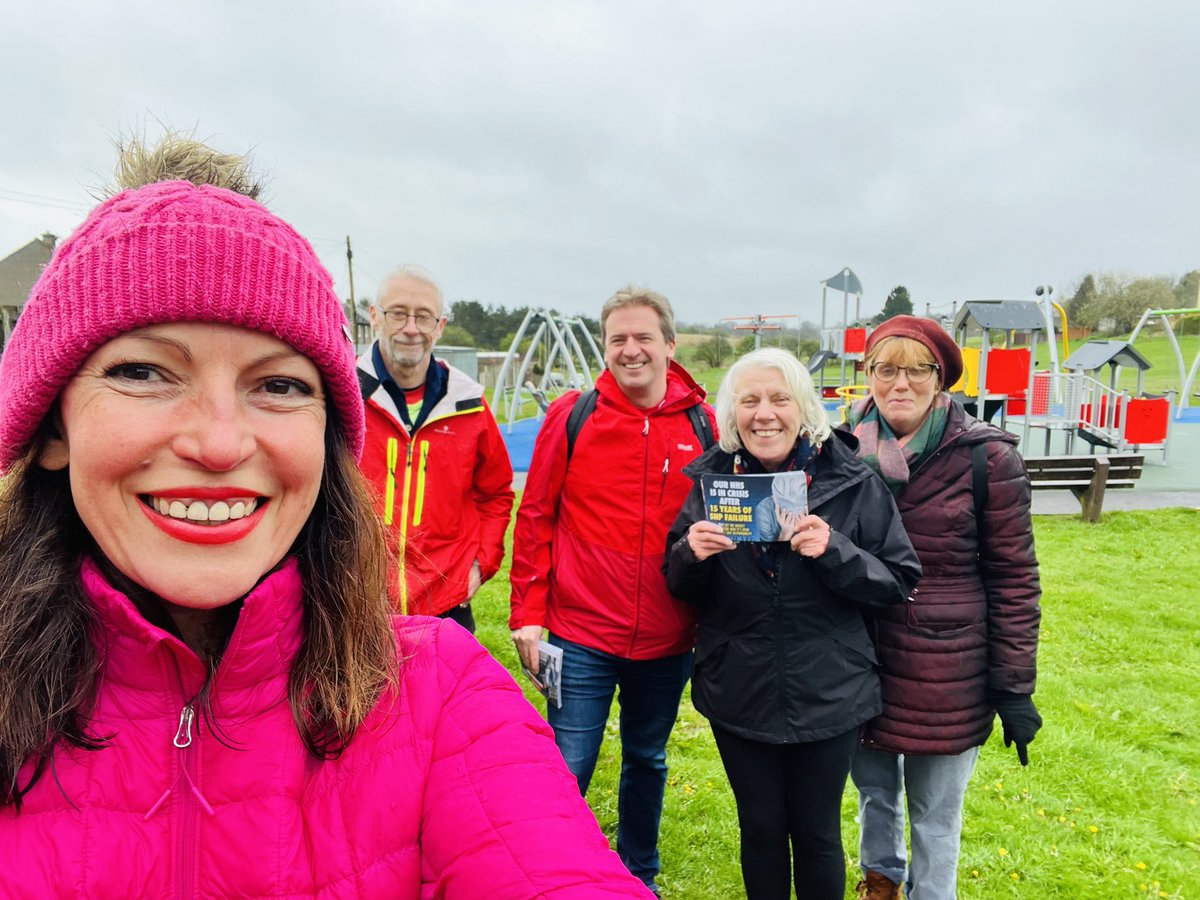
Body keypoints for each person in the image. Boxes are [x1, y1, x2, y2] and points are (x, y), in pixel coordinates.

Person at [0, 136, 653, 898]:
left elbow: (497, 496)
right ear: (50, 426)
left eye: (277, 385)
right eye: (143, 371)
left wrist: (476, 561)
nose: (218, 443)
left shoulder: (440, 698)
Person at [664, 347, 921, 900]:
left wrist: (836, 550)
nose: (764, 414)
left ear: (803, 408)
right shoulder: (712, 483)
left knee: (817, 832)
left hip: (829, 688)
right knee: (758, 829)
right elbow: (678, 584)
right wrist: (691, 552)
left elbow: (898, 581)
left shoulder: (853, 480)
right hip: (739, 687)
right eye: (749, 401)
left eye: (779, 399)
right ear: (732, 414)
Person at [509, 287, 716, 895]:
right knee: (566, 765)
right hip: (580, 635)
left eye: (643, 337)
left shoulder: (702, 424)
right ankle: (552, 874)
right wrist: (528, 612)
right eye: (618, 339)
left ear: (669, 345)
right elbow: (537, 515)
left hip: (667, 637)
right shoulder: (574, 415)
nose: (631, 350)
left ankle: (637, 875)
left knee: (647, 761)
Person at [845, 315, 1042, 900]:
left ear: (941, 379)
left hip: (948, 668)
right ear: (868, 377)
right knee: (874, 790)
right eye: (885, 368)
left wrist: (1013, 686)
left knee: (936, 811)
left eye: (915, 370)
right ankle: (881, 878)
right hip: (863, 654)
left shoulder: (985, 459)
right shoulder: (840, 450)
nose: (899, 383)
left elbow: (1014, 578)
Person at [356, 265, 513, 632]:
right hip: (355, 603)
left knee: (440, 692)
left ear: (440, 326)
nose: (411, 328)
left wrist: (481, 565)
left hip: (446, 607)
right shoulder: (343, 394)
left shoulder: (468, 403)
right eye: (398, 313)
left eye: (424, 317)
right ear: (375, 317)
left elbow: (497, 493)